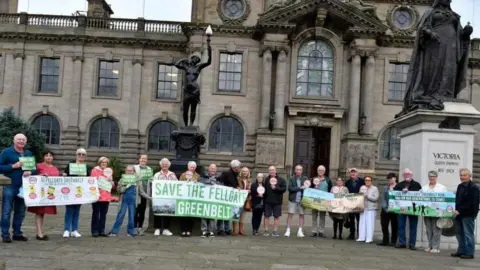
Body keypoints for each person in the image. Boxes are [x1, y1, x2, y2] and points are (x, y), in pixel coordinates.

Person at [0, 134, 36, 243]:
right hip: (10, 185)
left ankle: (17, 233)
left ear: (25, 142)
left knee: (20, 211)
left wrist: (31, 171)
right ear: (14, 140)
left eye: (23, 140)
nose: (21, 141)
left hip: (24, 187)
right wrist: (12, 166)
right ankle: (5, 234)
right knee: (6, 211)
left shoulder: (28, 153)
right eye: (19, 139)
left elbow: (34, 169)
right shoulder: (6, 152)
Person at [109, 165, 148, 237]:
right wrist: (124, 187)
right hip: (124, 200)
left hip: (133, 201)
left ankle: (130, 232)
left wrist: (149, 197)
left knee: (132, 216)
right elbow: (118, 190)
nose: (130, 172)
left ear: (134, 172)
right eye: (128, 171)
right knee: (120, 215)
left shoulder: (137, 180)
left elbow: (141, 192)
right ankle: (114, 231)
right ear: (125, 171)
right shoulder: (122, 180)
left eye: (131, 171)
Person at [27, 149, 57, 241]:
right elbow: (31, 176)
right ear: (43, 157)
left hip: (50, 194)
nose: (49, 157)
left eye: (50, 155)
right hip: (40, 193)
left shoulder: (55, 168)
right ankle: (39, 233)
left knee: (42, 213)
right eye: (47, 155)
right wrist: (40, 175)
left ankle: (40, 231)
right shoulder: (38, 166)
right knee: (39, 212)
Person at [62, 148, 92, 238]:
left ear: (85, 157)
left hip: (80, 191)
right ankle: (67, 229)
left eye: (83, 154)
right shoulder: (71, 164)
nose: (81, 156)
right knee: (69, 210)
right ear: (76, 155)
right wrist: (64, 175)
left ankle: (74, 230)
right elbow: (65, 174)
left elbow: (89, 178)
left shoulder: (87, 167)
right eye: (79, 154)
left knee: (76, 211)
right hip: (70, 191)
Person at [452, 168, 479, 259]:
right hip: (458, 215)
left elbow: (472, 203)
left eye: (464, 175)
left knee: (468, 234)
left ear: (469, 176)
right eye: (461, 175)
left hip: (468, 214)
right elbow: (458, 201)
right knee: (459, 234)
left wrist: (460, 210)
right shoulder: (460, 186)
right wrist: (455, 210)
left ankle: (469, 253)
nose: (462, 177)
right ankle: (461, 251)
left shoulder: (474, 187)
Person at [394, 168, 422, 250]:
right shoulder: (399, 184)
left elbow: (420, 195)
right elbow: (394, 194)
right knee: (401, 226)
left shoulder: (417, 184)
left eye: (408, 174)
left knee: (413, 226)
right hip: (401, 208)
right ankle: (402, 243)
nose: (407, 175)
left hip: (413, 208)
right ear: (403, 176)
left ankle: (412, 244)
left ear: (411, 175)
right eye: (405, 174)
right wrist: (401, 191)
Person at [421, 170, 447, 253]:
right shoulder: (424, 187)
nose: (432, 178)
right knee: (429, 230)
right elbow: (419, 198)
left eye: (433, 176)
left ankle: (435, 247)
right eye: (430, 176)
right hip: (426, 211)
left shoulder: (442, 187)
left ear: (436, 177)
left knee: (436, 230)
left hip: (437, 212)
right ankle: (430, 246)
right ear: (428, 177)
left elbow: (445, 200)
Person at [150, 158, 176, 236]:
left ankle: (165, 229)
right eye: (163, 164)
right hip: (159, 197)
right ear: (161, 165)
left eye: (166, 164)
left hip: (169, 198)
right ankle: (157, 228)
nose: (165, 165)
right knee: (158, 212)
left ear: (168, 165)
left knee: (168, 212)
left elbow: (177, 184)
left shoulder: (172, 174)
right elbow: (153, 185)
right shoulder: (157, 175)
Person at [90, 157, 114, 237]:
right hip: (97, 195)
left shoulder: (109, 171)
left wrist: (111, 181)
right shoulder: (94, 170)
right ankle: (94, 230)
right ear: (99, 163)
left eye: (105, 162)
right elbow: (92, 182)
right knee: (96, 214)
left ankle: (102, 230)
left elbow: (112, 185)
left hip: (106, 196)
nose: (104, 163)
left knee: (104, 214)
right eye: (102, 162)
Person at [217, 159, 241, 235]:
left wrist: (237, 187)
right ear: (235, 167)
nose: (240, 168)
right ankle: (220, 229)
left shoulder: (235, 174)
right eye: (239, 167)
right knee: (221, 212)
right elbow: (219, 181)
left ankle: (227, 228)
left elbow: (235, 184)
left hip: (230, 197)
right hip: (224, 196)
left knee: (227, 212)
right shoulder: (226, 173)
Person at [263, 166, 286, 237]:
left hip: (277, 201)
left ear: (275, 171)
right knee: (266, 216)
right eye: (270, 170)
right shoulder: (266, 179)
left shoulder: (281, 180)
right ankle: (266, 230)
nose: (271, 171)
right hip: (267, 201)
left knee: (276, 216)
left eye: (273, 170)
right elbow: (264, 189)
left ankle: (275, 231)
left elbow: (284, 189)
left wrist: (276, 188)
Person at [133, 154, 153, 236]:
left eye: (145, 159)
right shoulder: (135, 168)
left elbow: (151, 180)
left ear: (147, 160)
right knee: (135, 211)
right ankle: (134, 228)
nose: (143, 160)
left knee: (142, 211)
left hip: (145, 192)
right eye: (142, 158)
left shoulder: (149, 169)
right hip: (136, 193)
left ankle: (140, 228)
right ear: (139, 159)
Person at [179, 161, 200, 237]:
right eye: (191, 167)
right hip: (184, 197)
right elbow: (179, 184)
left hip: (192, 198)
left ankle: (189, 230)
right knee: (183, 214)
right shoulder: (183, 175)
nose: (193, 168)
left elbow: (200, 185)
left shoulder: (197, 176)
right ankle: (183, 230)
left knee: (191, 215)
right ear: (188, 167)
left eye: (194, 167)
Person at [285, 165, 307, 238]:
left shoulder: (305, 179)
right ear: (295, 170)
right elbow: (290, 188)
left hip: (302, 200)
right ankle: (288, 230)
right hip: (293, 199)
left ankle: (300, 231)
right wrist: (300, 188)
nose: (298, 171)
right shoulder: (291, 178)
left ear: (302, 171)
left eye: (300, 170)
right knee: (290, 215)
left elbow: (307, 188)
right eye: (297, 169)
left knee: (301, 215)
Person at [311, 165, 332, 238]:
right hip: (315, 200)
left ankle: (321, 231)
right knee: (314, 216)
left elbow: (330, 190)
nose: (320, 172)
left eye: (322, 170)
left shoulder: (328, 180)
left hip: (324, 201)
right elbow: (310, 189)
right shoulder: (313, 179)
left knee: (322, 216)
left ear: (324, 171)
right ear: (317, 171)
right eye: (319, 170)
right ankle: (313, 231)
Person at [378, 173, 398, 246]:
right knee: (384, 225)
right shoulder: (385, 188)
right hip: (386, 209)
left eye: (391, 178)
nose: (390, 180)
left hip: (395, 210)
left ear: (395, 178)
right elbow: (383, 198)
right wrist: (385, 208)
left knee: (394, 226)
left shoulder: (398, 187)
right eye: (388, 179)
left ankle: (393, 241)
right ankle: (385, 240)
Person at [356, 176, 379, 243]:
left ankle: (369, 238)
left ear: (371, 181)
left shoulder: (375, 188)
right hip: (363, 207)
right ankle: (361, 237)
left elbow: (376, 198)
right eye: (366, 180)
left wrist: (367, 196)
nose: (367, 181)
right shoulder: (362, 187)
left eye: (369, 180)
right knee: (362, 223)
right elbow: (359, 196)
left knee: (370, 223)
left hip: (371, 208)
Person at [199, 164, 219, 237]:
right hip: (204, 198)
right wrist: (209, 182)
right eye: (211, 168)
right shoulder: (203, 176)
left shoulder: (218, 177)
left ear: (216, 170)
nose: (213, 170)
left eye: (214, 169)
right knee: (204, 214)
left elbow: (221, 185)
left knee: (212, 215)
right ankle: (204, 231)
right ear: (209, 169)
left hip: (213, 199)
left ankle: (211, 231)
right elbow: (200, 182)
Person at [345, 168, 364, 240]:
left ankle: (360, 234)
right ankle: (352, 234)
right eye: (351, 172)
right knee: (351, 219)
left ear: (357, 173)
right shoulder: (347, 182)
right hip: (351, 204)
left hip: (359, 203)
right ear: (350, 174)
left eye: (354, 172)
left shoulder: (362, 181)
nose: (353, 173)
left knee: (359, 219)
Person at [235, 167, 251, 236]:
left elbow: (250, 189)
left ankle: (240, 230)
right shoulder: (238, 179)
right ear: (241, 172)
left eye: (246, 171)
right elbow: (235, 186)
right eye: (243, 171)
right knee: (236, 214)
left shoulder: (249, 180)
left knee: (242, 215)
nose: (245, 173)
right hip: (238, 199)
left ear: (248, 173)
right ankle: (234, 230)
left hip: (245, 199)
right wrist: (237, 187)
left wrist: (250, 191)